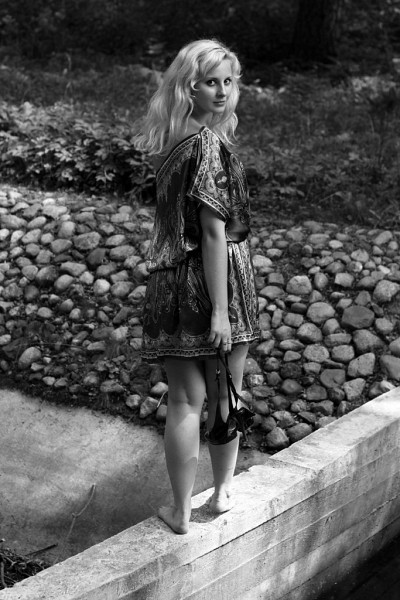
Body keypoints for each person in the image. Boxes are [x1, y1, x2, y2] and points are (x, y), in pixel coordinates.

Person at [134, 39, 260, 534]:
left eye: (228, 81)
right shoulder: (209, 145)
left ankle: (181, 510)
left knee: (185, 401)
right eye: (211, 82)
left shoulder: (173, 145)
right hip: (214, 279)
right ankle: (222, 492)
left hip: (169, 280)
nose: (222, 91)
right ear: (190, 87)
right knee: (226, 391)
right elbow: (212, 232)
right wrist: (221, 311)